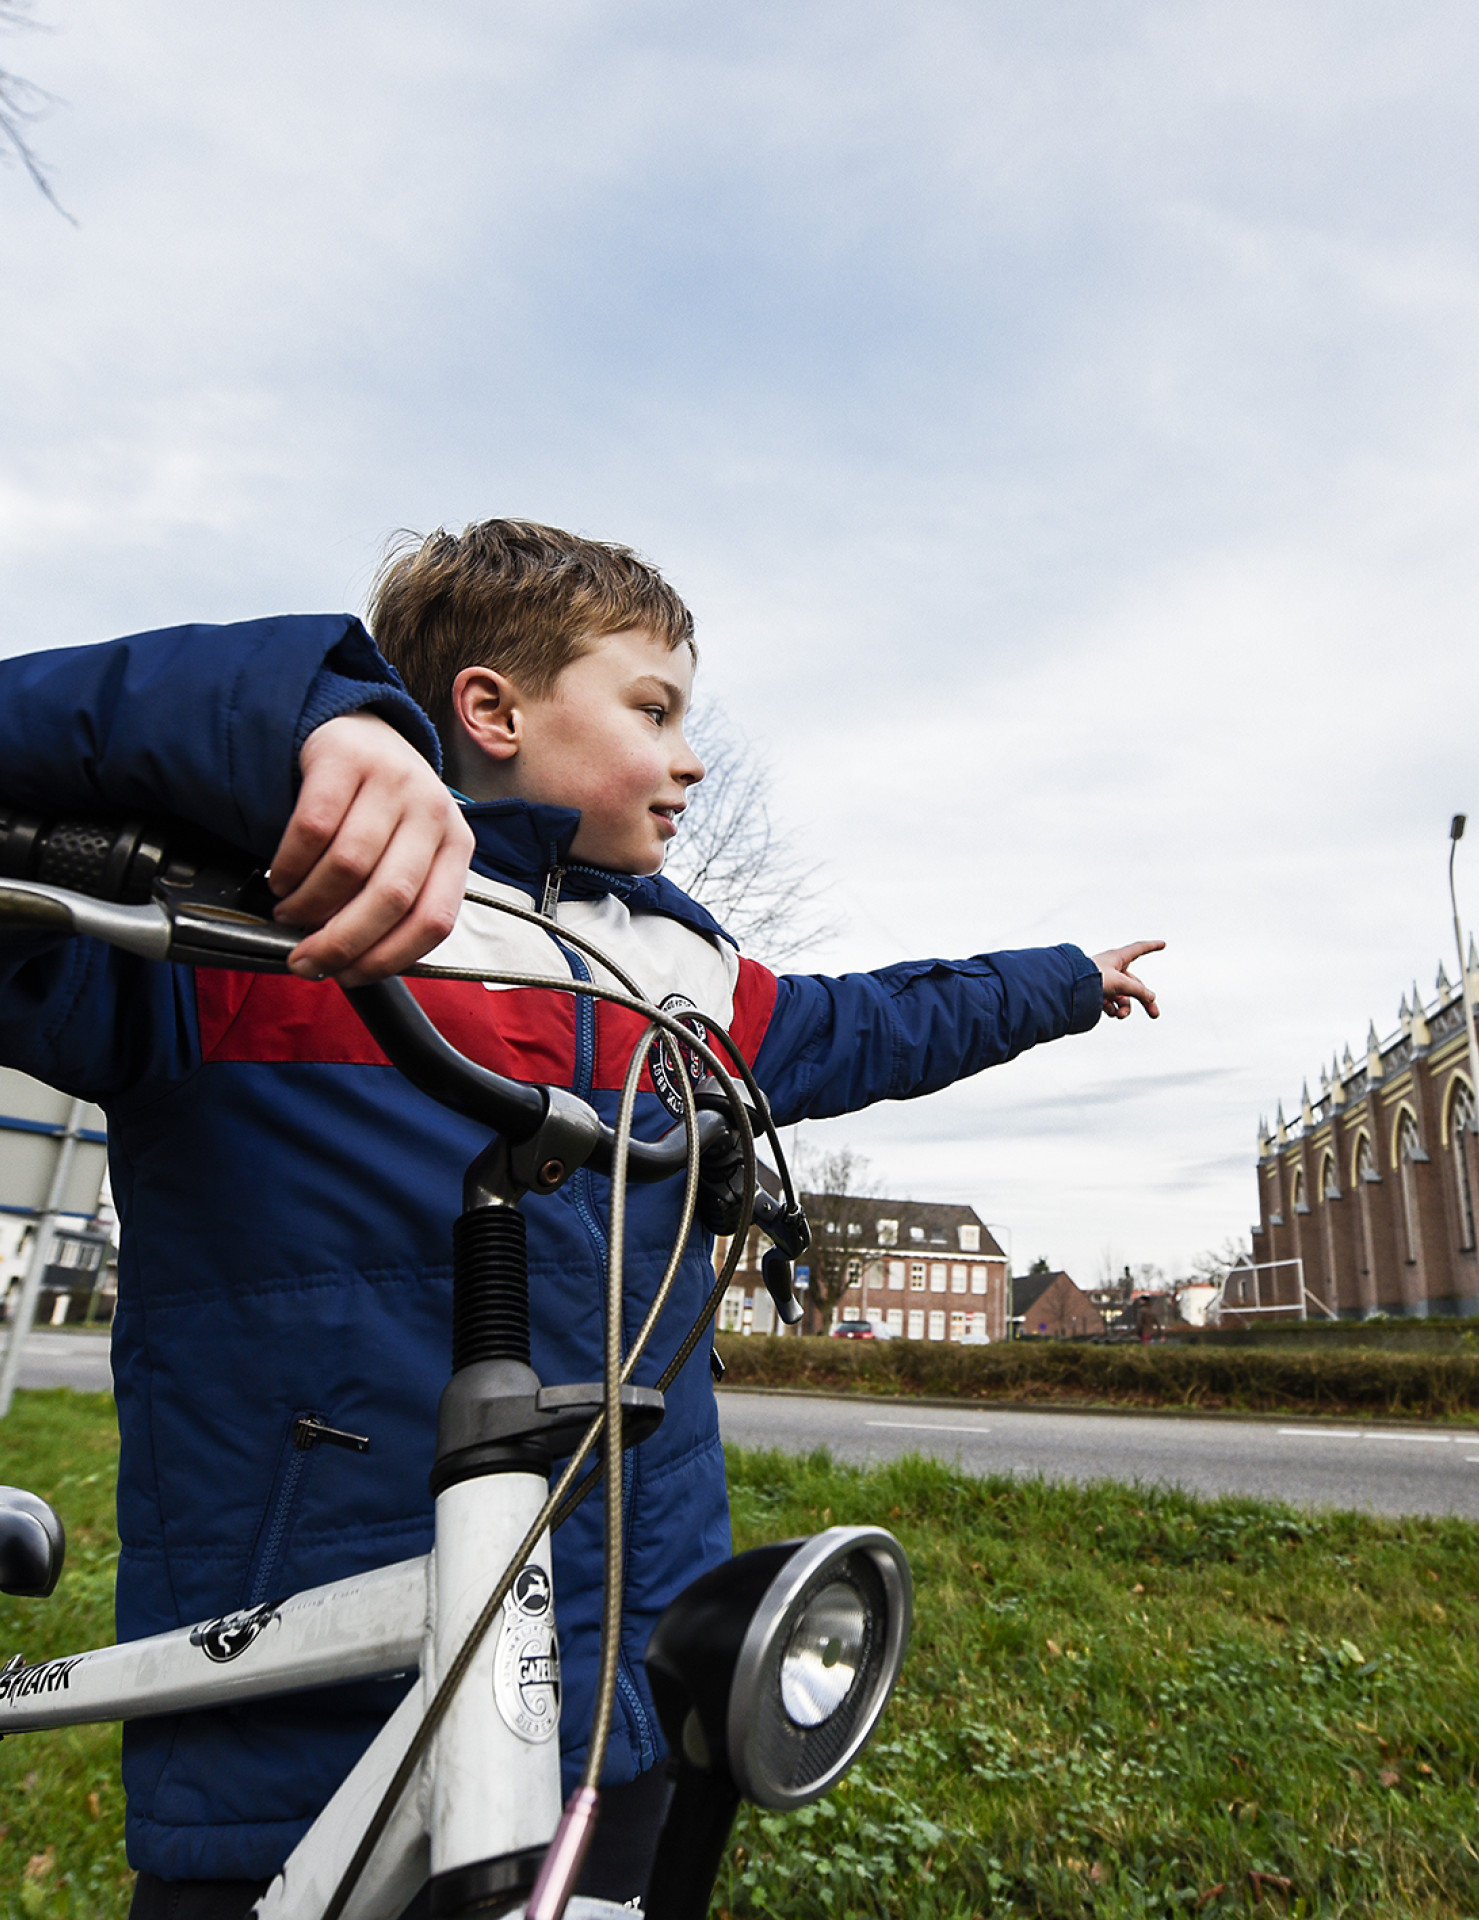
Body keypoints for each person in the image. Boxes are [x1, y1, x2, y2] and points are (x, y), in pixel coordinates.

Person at [0, 519, 1161, 1918]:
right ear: (489, 711)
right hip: (313, 1652)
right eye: (654, 709)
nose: (692, 758)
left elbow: (880, 1020)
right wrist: (311, 724)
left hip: (629, 1659)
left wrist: (1062, 980)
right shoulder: (257, 907)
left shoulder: (673, 967)